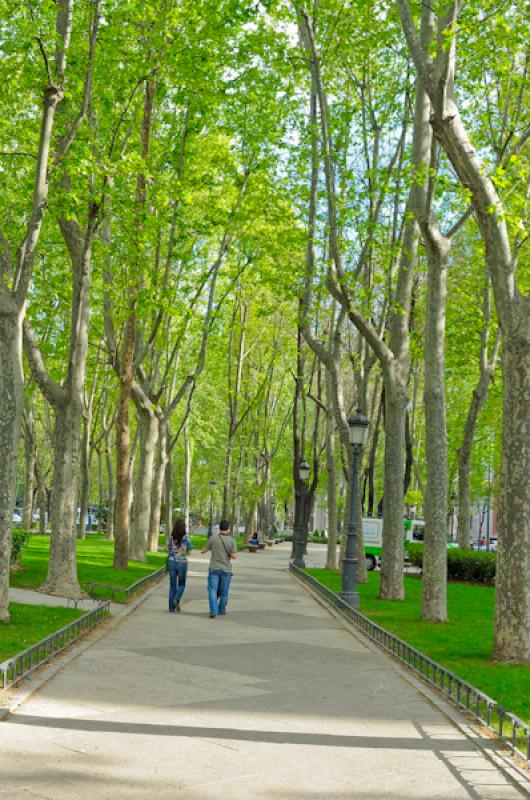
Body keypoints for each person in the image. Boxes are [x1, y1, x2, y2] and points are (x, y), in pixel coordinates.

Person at [201, 519, 237, 618]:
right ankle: (221, 610)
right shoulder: (232, 541)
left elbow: (203, 550)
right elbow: (234, 556)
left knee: (212, 590)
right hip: (226, 570)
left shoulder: (213, 539)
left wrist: (206, 549)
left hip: (214, 568)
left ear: (220, 528)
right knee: (224, 591)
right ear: (228, 529)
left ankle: (213, 610)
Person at [167, 518, 192, 612]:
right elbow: (189, 549)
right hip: (182, 563)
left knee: (172, 585)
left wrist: (172, 553)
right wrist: (184, 551)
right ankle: (176, 598)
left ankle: (171, 608)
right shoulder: (186, 538)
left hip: (172, 562)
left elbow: (168, 549)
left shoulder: (170, 537)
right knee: (181, 584)